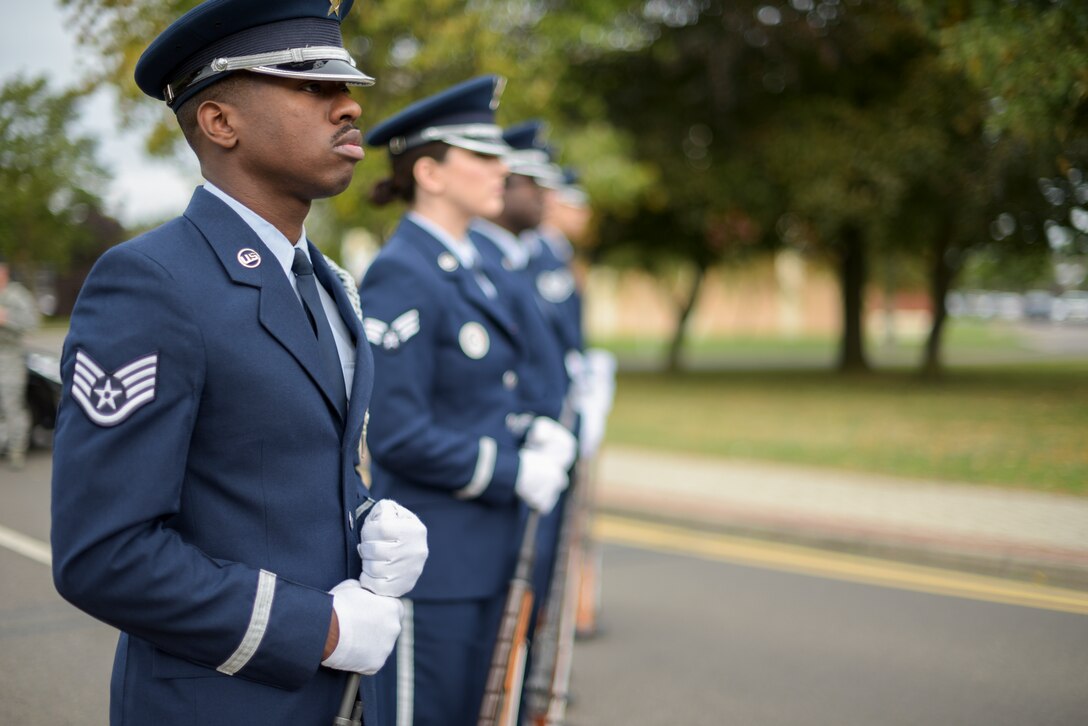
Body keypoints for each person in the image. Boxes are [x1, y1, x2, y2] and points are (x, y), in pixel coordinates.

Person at [50, 2, 428, 725]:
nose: (349, 104)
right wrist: (321, 628)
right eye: (310, 86)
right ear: (221, 122)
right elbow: (105, 553)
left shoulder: (324, 283)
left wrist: (367, 519)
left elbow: (280, 472)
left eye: (345, 85)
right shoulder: (151, 283)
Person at [358, 76, 576, 726]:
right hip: (439, 559)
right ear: (428, 170)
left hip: (487, 550)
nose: (500, 168)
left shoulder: (468, 265)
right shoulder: (405, 270)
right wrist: (512, 468)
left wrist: (531, 426)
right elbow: (397, 432)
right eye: (479, 156)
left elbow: (487, 391)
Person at [0, 256, 40, 469]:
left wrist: (7, 319)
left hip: (10, 359)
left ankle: (16, 450)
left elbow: (32, 323)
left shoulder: (16, 296)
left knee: (11, 405)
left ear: (4, 272)